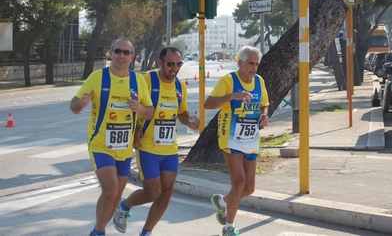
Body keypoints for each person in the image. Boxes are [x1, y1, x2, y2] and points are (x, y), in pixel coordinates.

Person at [69, 37, 154, 236]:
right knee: (110, 191)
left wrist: (140, 108)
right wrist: (81, 103)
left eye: (126, 53)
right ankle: (98, 232)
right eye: (118, 51)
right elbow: (73, 104)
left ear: (132, 56)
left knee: (115, 198)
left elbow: (150, 111)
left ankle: (97, 231)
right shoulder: (98, 77)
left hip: (124, 148)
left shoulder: (138, 80)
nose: (121, 56)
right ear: (111, 53)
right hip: (101, 144)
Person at [113, 46, 200, 236]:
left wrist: (191, 121)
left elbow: (182, 114)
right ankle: (124, 207)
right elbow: (131, 106)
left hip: (169, 149)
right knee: (152, 192)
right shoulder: (147, 80)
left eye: (178, 64)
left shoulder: (179, 86)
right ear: (160, 63)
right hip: (147, 147)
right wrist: (135, 129)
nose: (175, 68)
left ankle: (146, 232)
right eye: (170, 64)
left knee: (166, 192)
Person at [204, 46, 269, 236]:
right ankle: (228, 227)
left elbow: (264, 104)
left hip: (251, 139)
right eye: (250, 63)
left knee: (249, 188)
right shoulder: (228, 80)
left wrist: (264, 115)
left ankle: (222, 202)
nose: (254, 68)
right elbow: (208, 104)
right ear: (239, 63)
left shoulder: (259, 81)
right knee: (239, 184)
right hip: (230, 138)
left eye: (256, 64)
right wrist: (233, 96)